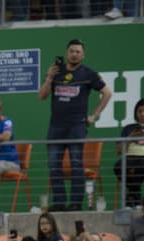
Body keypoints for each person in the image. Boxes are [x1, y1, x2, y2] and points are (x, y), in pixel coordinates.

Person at [38, 40, 111, 211]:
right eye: (71, 51)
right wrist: (49, 77)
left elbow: (107, 93)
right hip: (56, 127)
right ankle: (59, 203)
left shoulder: (88, 74)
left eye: (78, 52)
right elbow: (42, 96)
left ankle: (76, 203)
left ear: (83, 55)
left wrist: (94, 115)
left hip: (77, 127)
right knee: (54, 165)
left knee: (77, 164)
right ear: (66, 53)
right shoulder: (56, 72)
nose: (74, 54)